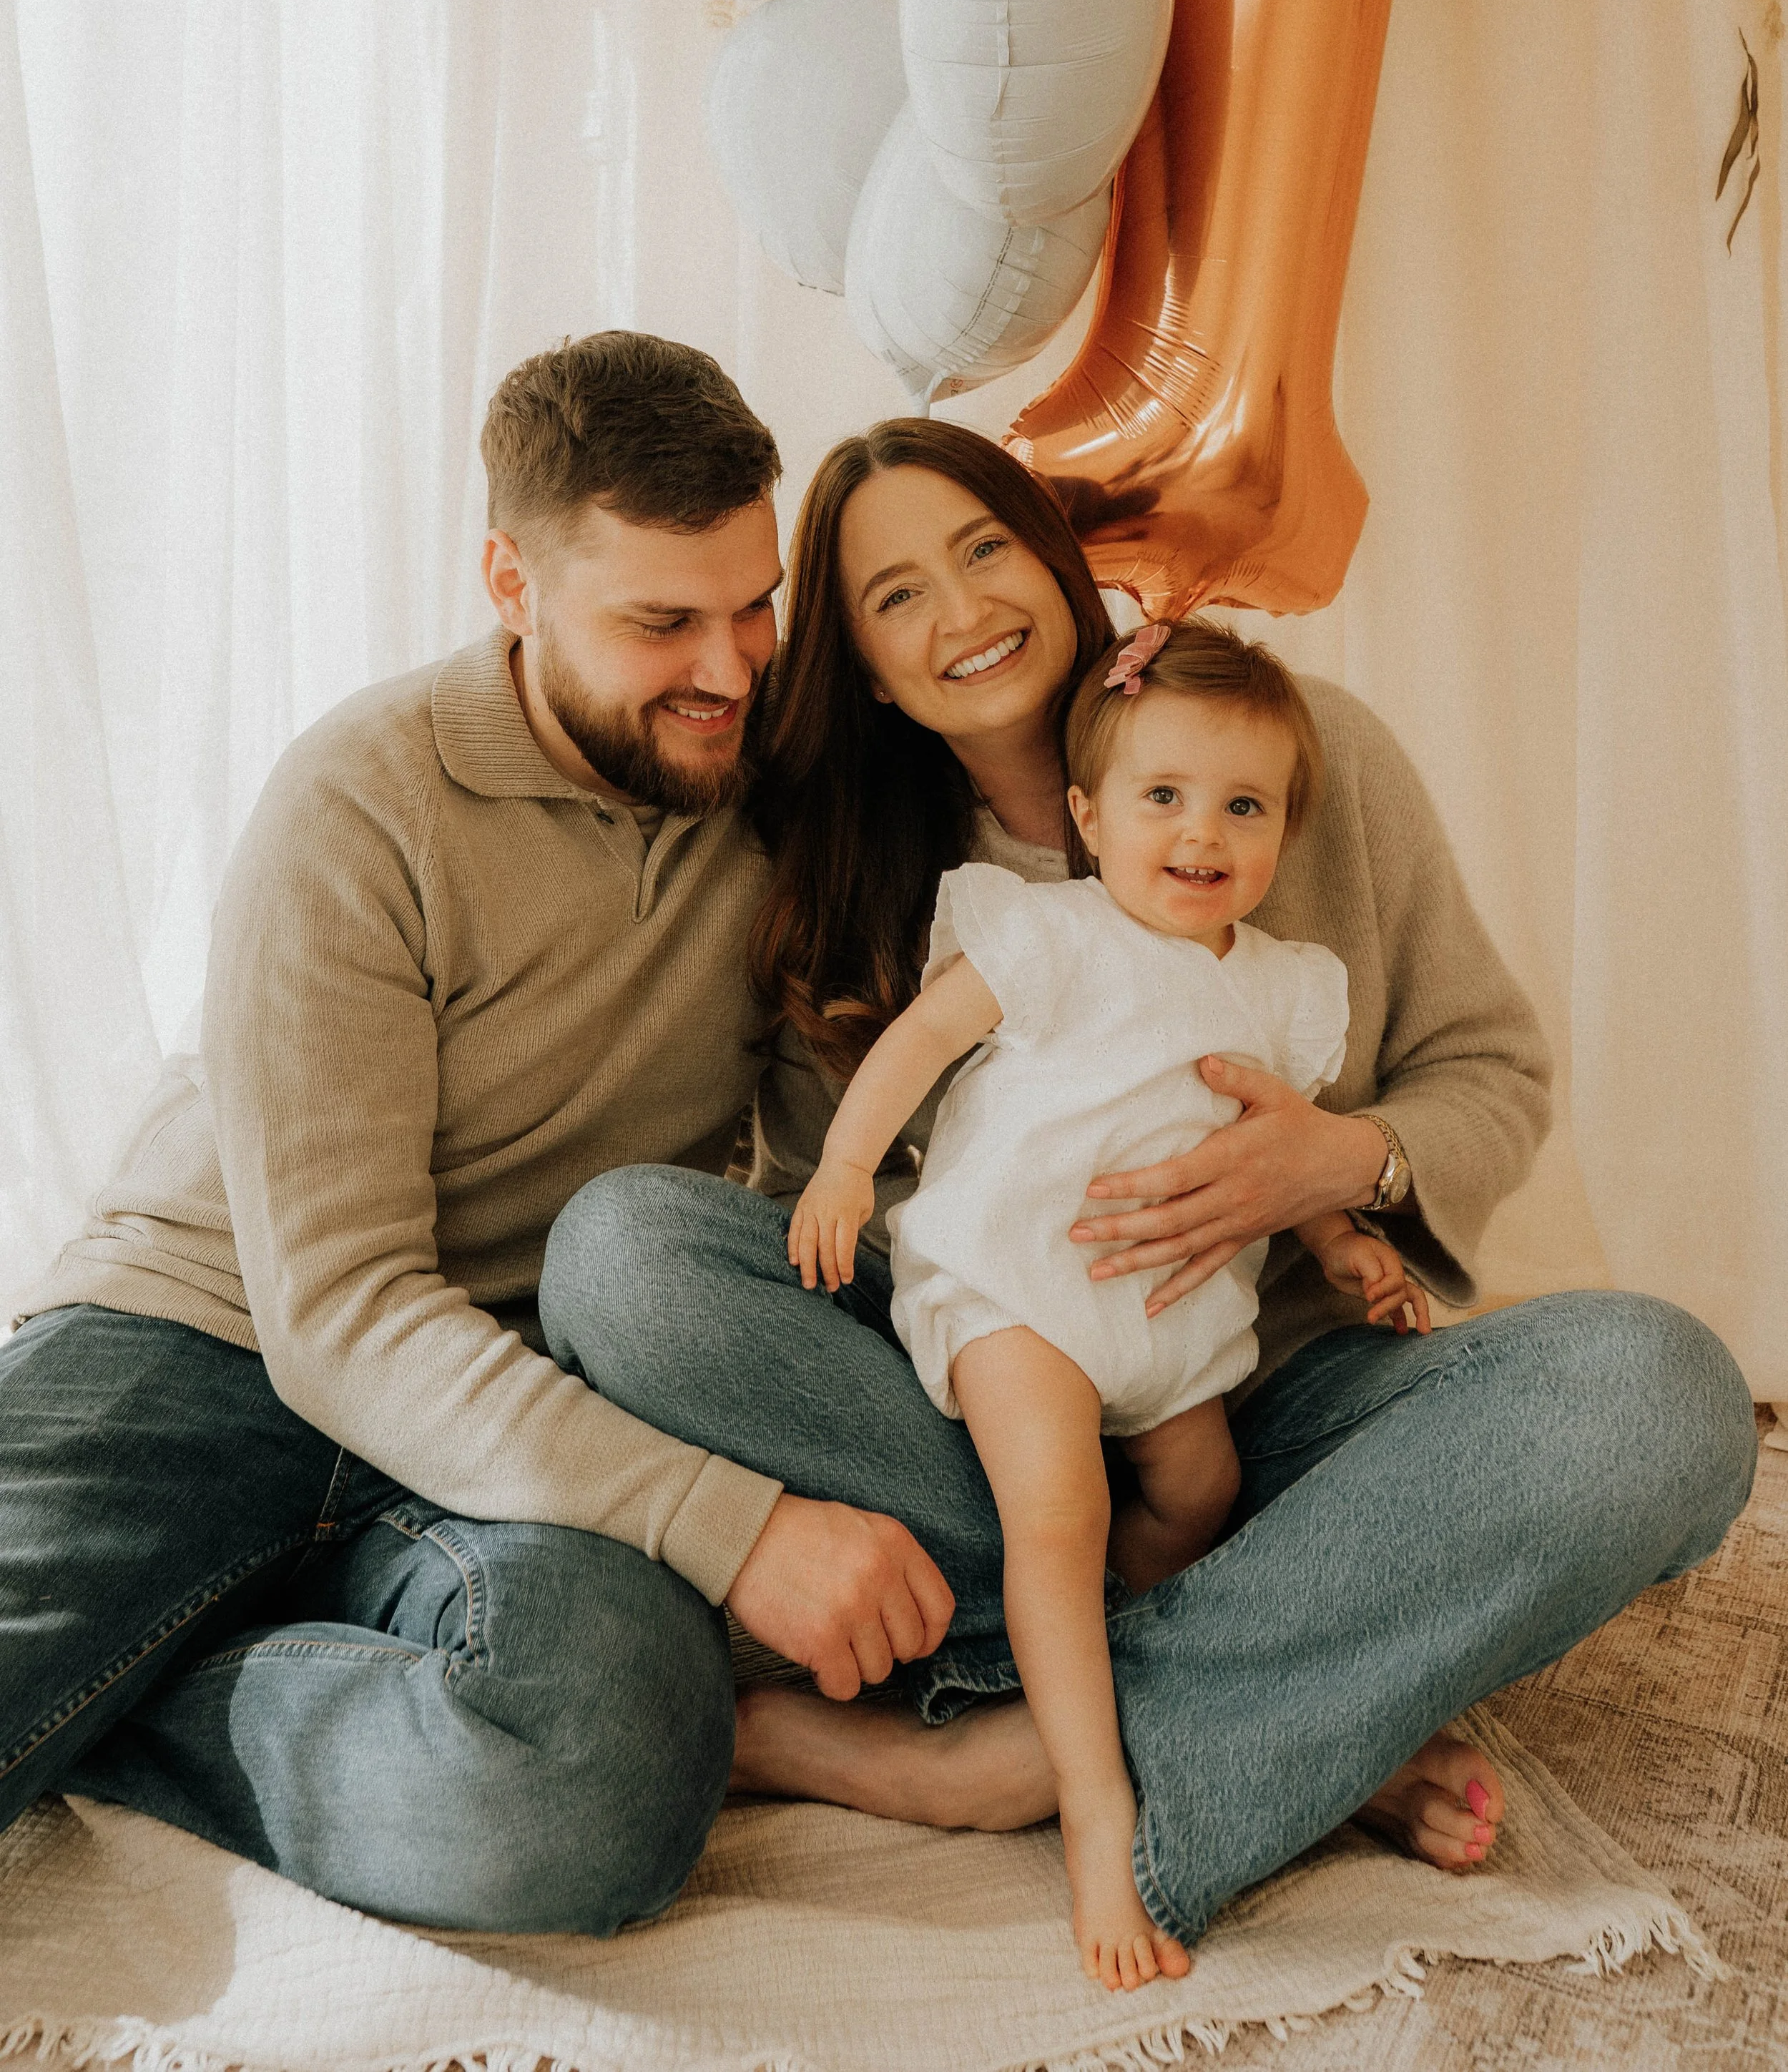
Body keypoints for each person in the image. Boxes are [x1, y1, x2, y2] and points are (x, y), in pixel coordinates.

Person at [545, 413, 1759, 1960]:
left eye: (984, 548)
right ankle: (1301, 1705)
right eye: (895, 594)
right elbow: (817, 1190)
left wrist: (1343, 1164)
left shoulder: (1284, 756)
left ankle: (1017, 1751)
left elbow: (1488, 1075)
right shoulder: (849, 868)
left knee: (1658, 1393)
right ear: (854, 660)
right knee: (618, 1253)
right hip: (989, 1399)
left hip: (1261, 1396)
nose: (963, 608)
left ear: (1054, 559)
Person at [0, 333, 956, 1931]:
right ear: (511, 582)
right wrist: (739, 1532)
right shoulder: (362, 801)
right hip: (205, 1339)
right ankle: (135, 1643)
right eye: (661, 621)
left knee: (602, 1776)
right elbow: (338, 1311)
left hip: (507, 1402)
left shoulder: (780, 783)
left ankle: (151, 1695)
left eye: (755, 601)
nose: (729, 666)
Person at [788, 617, 1430, 1990]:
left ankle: (1110, 1654)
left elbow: (1281, 1142)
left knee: (1200, 1491)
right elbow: (917, 1042)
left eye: (1242, 806)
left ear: (1281, 831)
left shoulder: (1281, 987)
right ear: (1088, 816)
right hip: (1018, 1278)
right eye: (1163, 797)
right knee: (1060, 1507)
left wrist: (1345, 1241)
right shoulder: (1050, 935)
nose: (1202, 833)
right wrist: (847, 1166)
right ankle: (1094, 1803)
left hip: (1167, 1326)